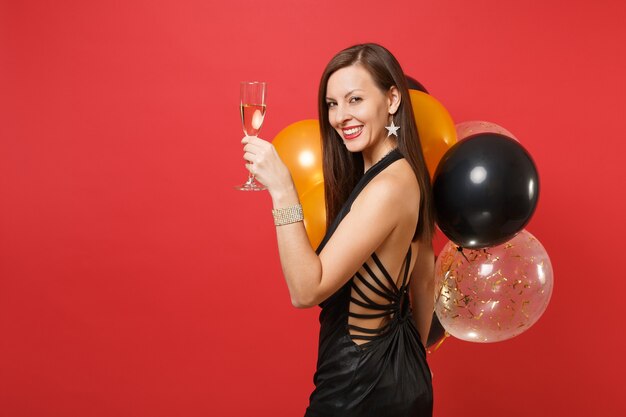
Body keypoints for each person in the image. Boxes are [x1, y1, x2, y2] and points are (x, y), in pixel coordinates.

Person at [241, 43, 435, 417]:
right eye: (331, 104)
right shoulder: (406, 173)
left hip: (358, 389)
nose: (340, 116)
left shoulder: (388, 187)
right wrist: (415, 362)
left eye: (355, 99)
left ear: (392, 98)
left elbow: (306, 290)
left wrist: (282, 190)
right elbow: (423, 280)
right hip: (400, 381)